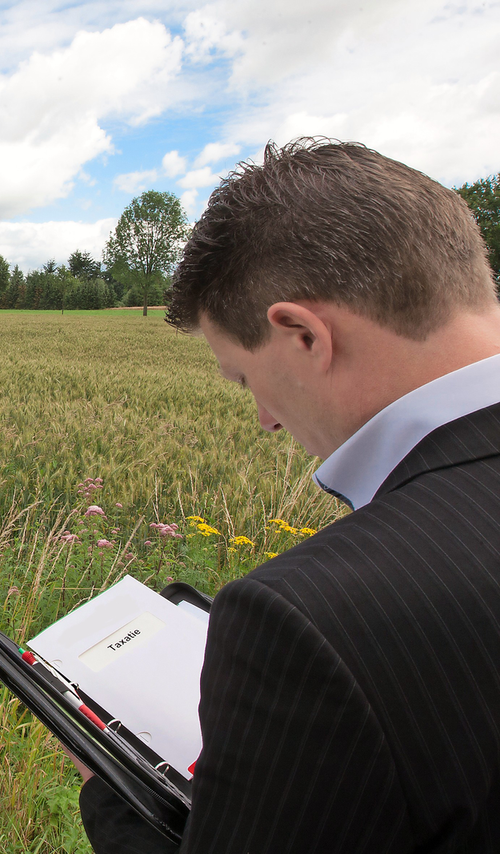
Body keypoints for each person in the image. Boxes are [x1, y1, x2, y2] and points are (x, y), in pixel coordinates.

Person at [76, 139, 500, 853]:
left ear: (302, 334)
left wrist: (116, 791)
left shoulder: (308, 622)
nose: (265, 420)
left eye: (244, 380)